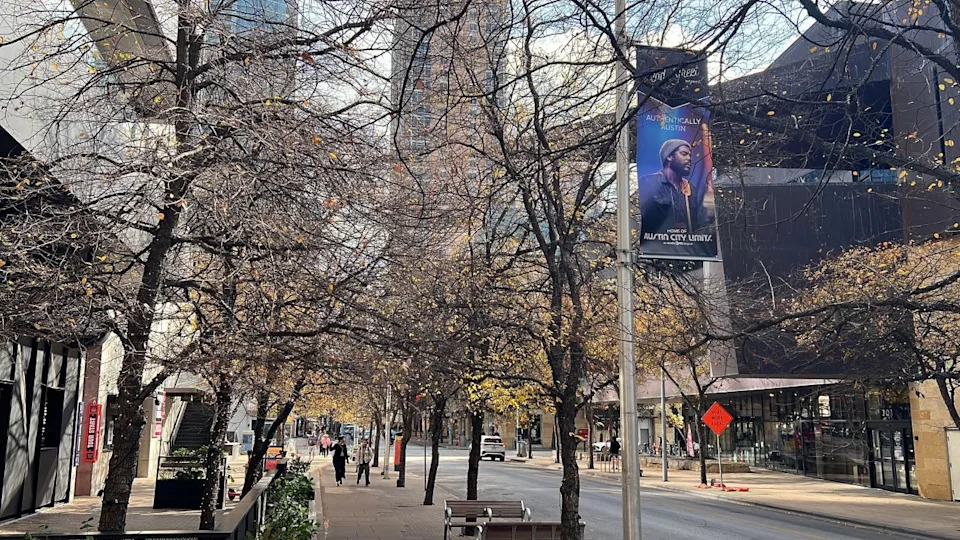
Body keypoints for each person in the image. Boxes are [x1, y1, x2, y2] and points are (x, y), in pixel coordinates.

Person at [638, 139, 709, 236]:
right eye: (684, 154)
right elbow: (645, 221)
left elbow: (698, 223)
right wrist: (668, 229)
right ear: (669, 156)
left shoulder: (690, 188)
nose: (689, 158)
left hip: (686, 248)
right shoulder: (647, 182)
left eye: (690, 155)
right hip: (657, 247)